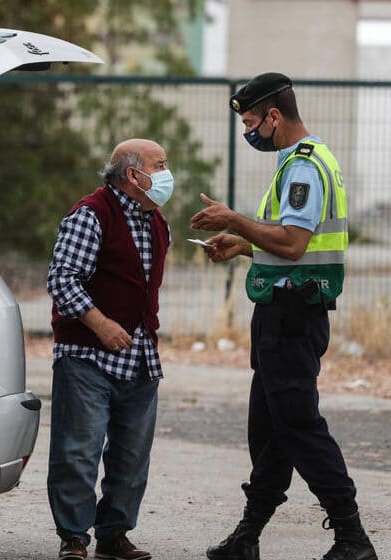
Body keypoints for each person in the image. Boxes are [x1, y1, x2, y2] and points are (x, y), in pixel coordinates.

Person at [191, 72, 377, 560]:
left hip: (293, 314)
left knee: (297, 426)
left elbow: (294, 245)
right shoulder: (303, 160)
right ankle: (247, 537)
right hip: (283, 311)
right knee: (269, 430)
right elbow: (294, 241)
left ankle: (352, 538)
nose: (249, 132)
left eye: (252, 122)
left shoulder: (303, 167)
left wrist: (233, 219)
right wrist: (243, 246)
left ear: (275, 116)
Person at [47, 138, 172, 560]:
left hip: (139, 357)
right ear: (133, 174)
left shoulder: (156, 221)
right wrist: (100, 324)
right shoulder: (91, 214)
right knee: (78, 451)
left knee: (132, 456)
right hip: (87, 356)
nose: (167, 173)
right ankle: (74, 538)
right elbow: (62, 279)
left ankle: (114, 534)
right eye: (160, 164)